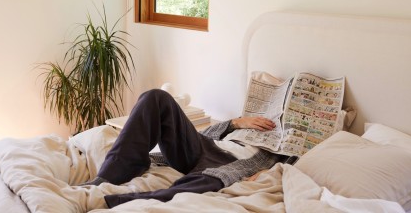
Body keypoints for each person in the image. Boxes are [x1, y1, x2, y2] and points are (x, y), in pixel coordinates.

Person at [82, 89, 296, 208]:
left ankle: (127, 202)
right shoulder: (245, 123)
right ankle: (106, 177)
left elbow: (290, 169)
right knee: (155, 97)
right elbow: (208, 134)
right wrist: (235, 123)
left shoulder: (291, 151)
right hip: (206, 146)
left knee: (210, 181)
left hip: (231, 163)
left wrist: (265, 173)